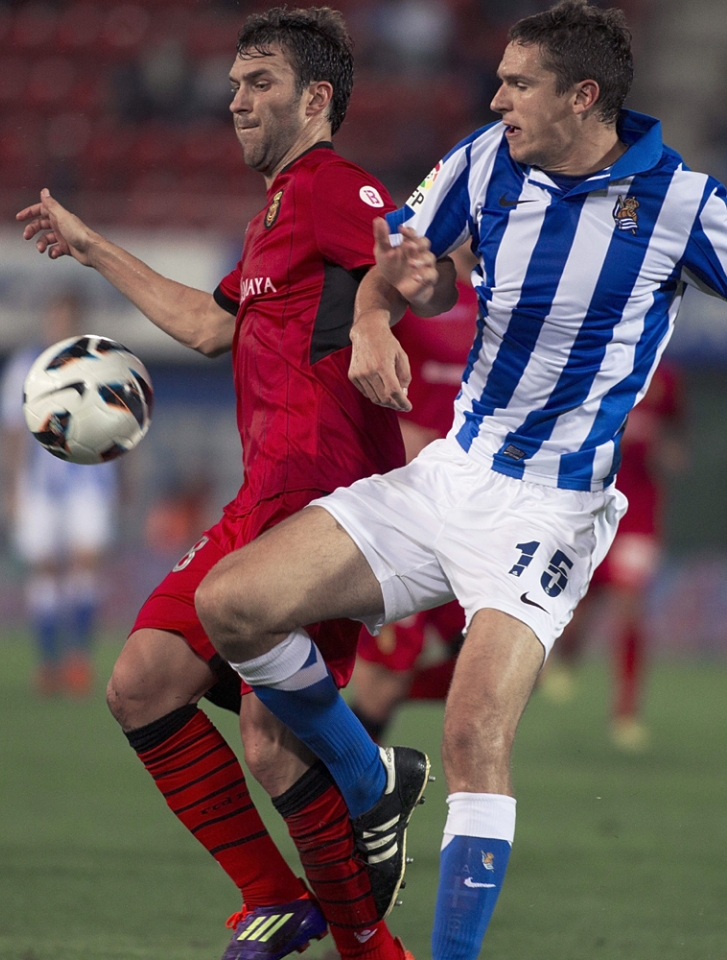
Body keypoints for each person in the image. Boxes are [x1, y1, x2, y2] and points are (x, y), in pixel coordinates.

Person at [194, 3, 727, 958]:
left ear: (583, 97)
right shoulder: (485, 159)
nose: (497, 98)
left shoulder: (684, 206)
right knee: (231, 605)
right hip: (448, 475)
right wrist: (377, 315)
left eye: (519, 84)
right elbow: (411, 276)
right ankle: (367, 779)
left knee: (476, 735)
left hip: (551, 510)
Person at [17, 8, 420, 960]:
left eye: (261, 83)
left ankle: (376, 946)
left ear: (316, 98)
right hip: (259, 503)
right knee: (142, 682)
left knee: (272, 743)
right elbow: (211, 326)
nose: (236, 100)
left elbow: (411, 264)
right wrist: (93, 248)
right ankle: (278, 896)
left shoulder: (336, 189)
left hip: (325, 504)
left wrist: (376, 321)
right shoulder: (276, 213)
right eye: (235, 83)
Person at [350, 244, 477, 744]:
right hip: (408, 501)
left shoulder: (508, 292)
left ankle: (322, 739)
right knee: (381, 685)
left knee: (504, 663)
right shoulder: (408, 288)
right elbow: (356, 364)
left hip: (472, 507)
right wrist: (393, 433)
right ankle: (339, 785)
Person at [542, 360, 686, 751]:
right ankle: (566, 658)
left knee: (629, 603)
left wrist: (667, 453)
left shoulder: (668, 379)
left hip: (640, 512)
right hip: (593, 505)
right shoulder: (603, 358)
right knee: (584, 604)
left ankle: (626, 713)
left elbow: (675, 438)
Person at [0, 289, 117, 698]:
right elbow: (12, 432)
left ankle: (78, 660)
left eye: (68, 316)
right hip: (40, 486)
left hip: (90, 481)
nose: (60, 323)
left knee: (86, 565)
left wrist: (126, 477)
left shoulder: (103, 361)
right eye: (55, 316)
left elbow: (128, 422)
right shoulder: (25, 366)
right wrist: (11, 487)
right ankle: (48, 663)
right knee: (45, 570)